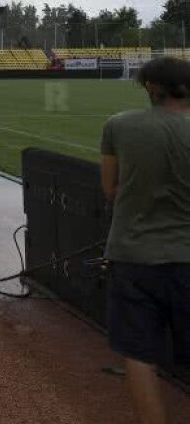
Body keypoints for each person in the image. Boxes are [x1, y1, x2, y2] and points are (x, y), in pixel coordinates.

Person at [100, 56, 190, 424]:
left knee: (139, 355)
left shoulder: (119, 125)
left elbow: (110, 190)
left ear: (151, 87)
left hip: (133, 255)